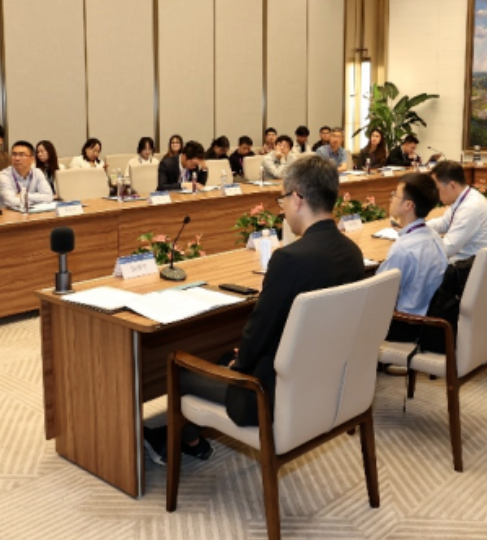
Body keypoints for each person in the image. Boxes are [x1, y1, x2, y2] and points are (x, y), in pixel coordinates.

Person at [142, 156, 366, 462]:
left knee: (179, 370)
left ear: (298, 198)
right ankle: (190, 438)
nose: (281, 208)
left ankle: (181, 440)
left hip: (270, 394)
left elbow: (259, 329)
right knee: (226, 355)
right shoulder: (352, 252)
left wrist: (240, 365)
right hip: (324, 381)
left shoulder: (290, 259)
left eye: (282, 199)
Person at [379, 173, 448, 318]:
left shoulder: (403, 248)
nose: (391, 199)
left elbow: (380, 292)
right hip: (432, 318)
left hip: (407, 322)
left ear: (408, 205)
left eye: (395, 195)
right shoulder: (435, 237)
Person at [427, 161, 487, 263]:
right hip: (467, 261)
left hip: (469, 266)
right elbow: (444, 223)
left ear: (452, 185)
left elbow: (446, 249)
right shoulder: (466, 196)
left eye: (437, 189)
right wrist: (418, 227)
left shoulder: (470, 207)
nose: (436, 194)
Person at [0, 141, 55, 212]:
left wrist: (24, 195)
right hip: (9, 214)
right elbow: (12, 202)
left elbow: (49, 197)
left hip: (33, 213)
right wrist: (38, 199)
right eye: (14, 154)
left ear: (32, 159)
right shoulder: (4, 176)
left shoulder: (37, 172)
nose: (17, 158)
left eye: (22, 155)